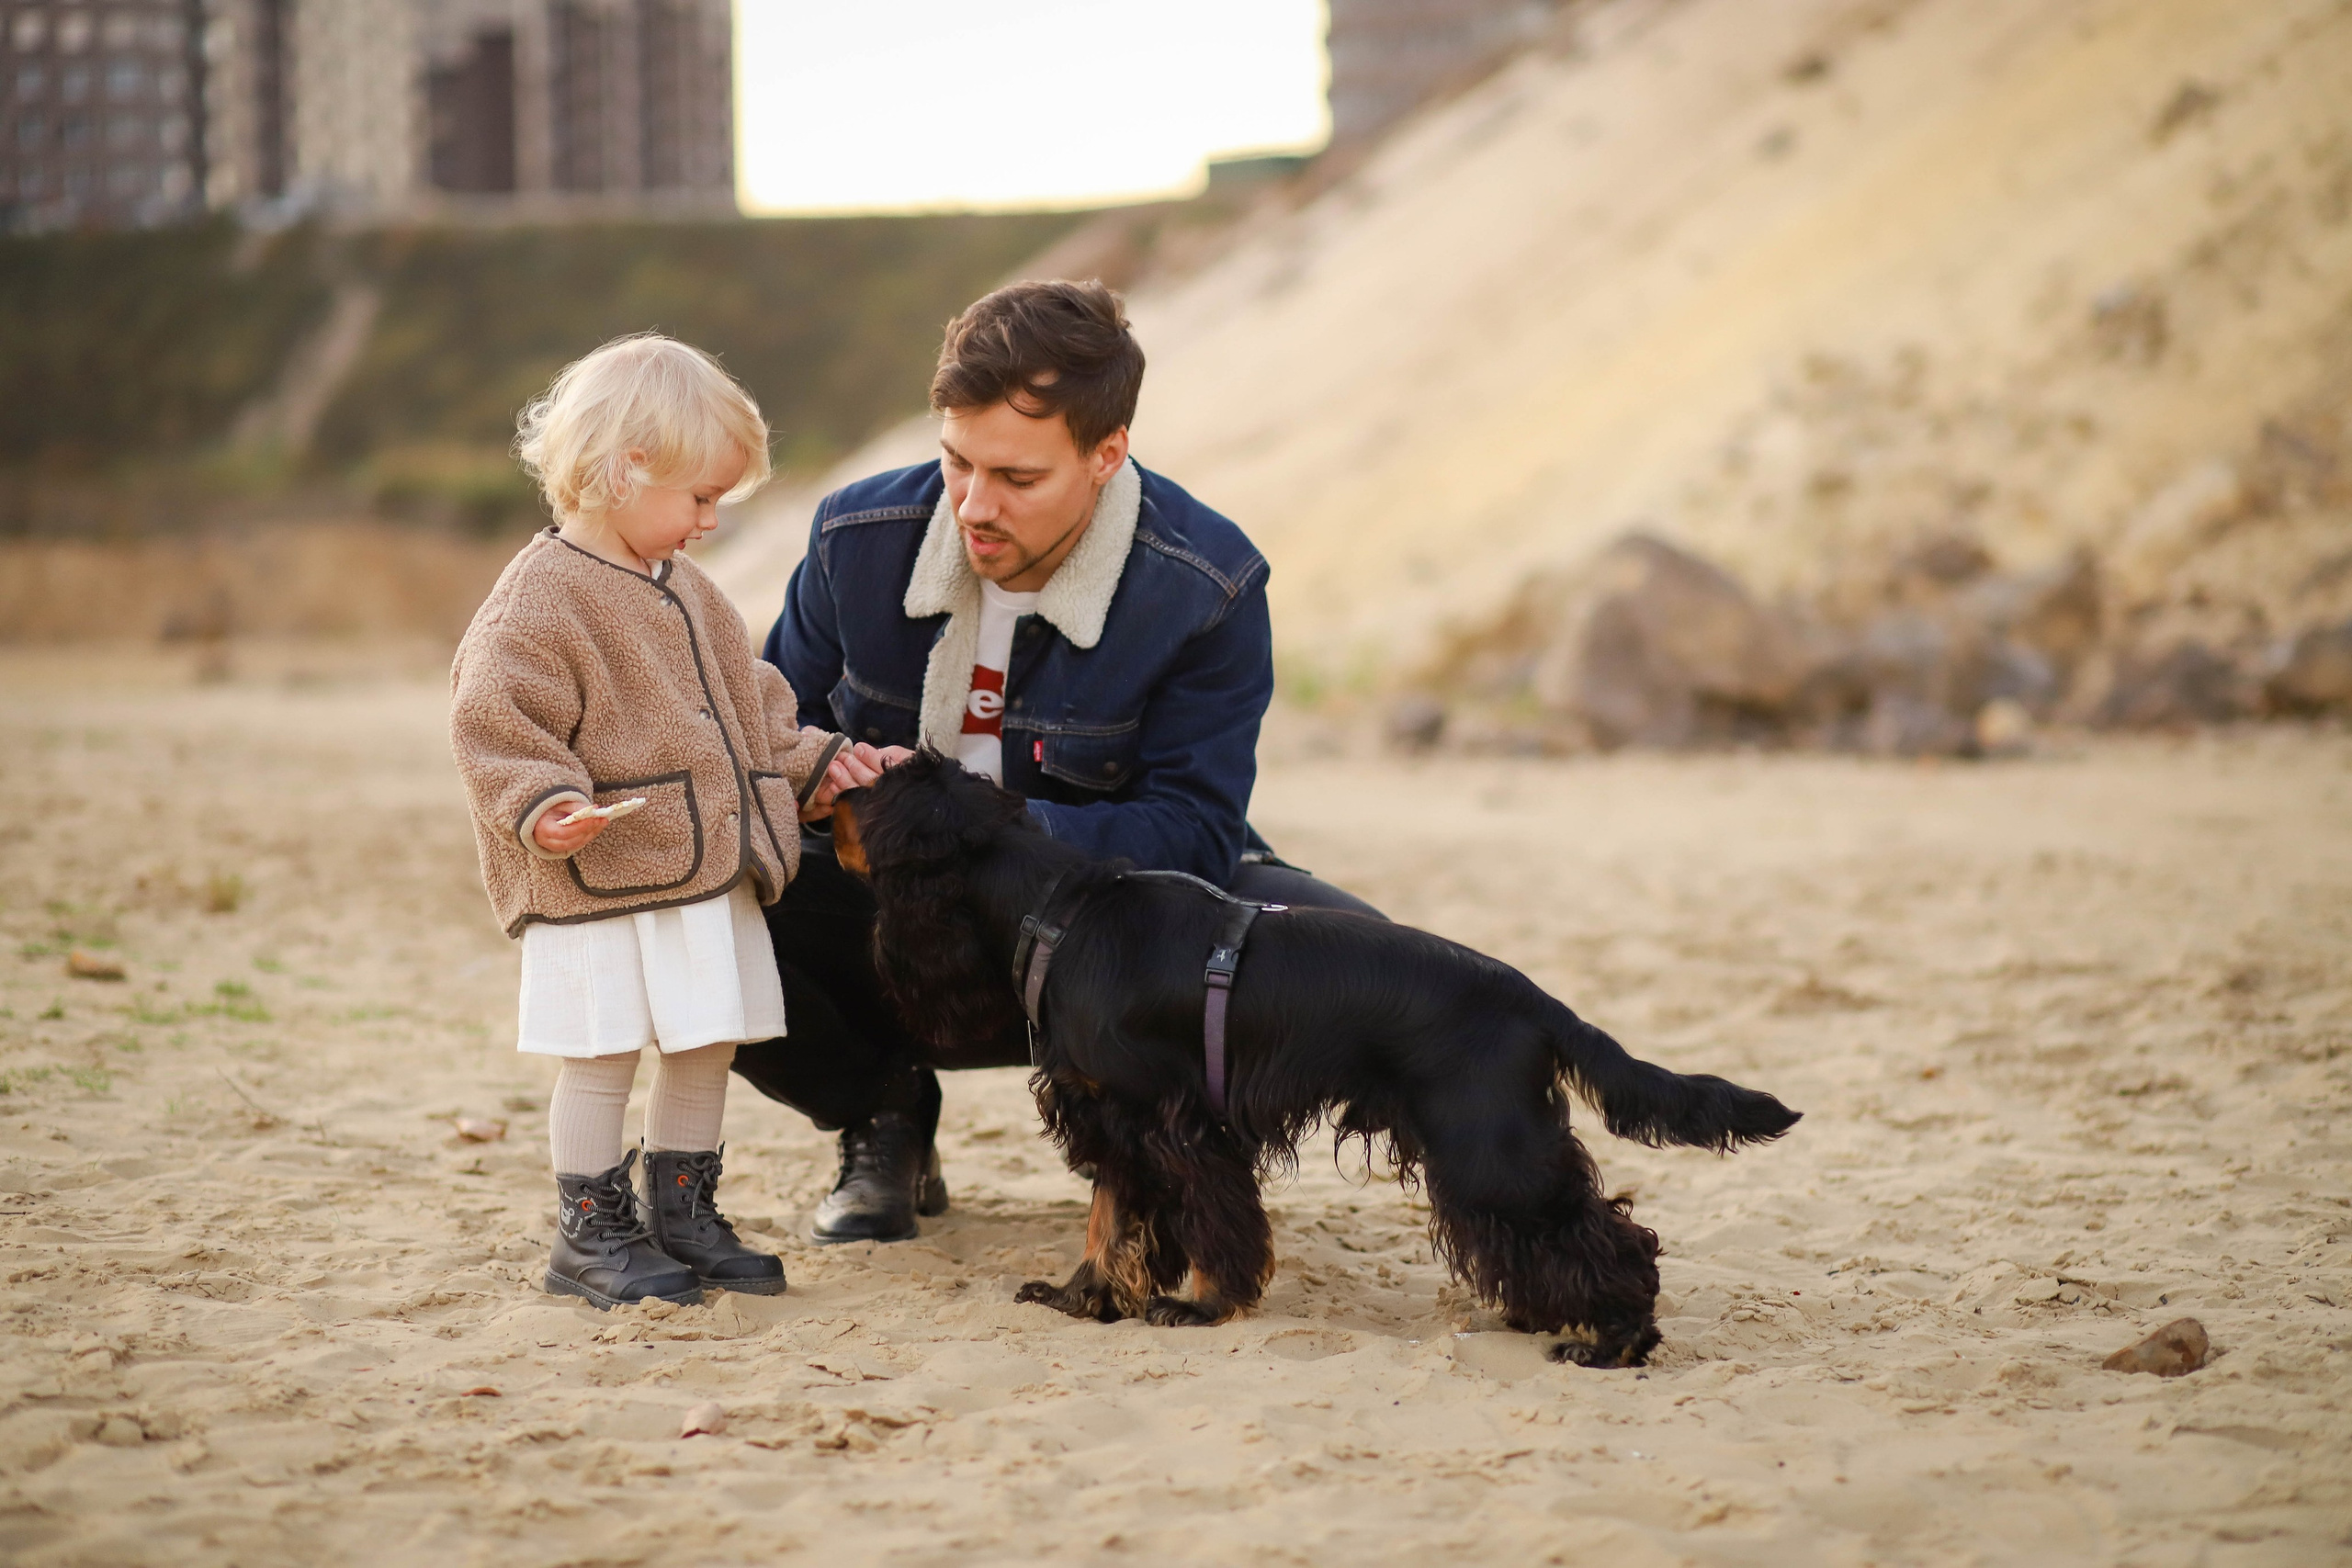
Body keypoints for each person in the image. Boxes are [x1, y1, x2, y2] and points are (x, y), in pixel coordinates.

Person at [733, 280, 1382, 1244]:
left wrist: (974, 833)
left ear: (1105, 454)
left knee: (1356, 960)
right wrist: (811, 775)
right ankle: (879, 1111)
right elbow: (756, 753)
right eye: (955, 461)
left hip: (1095, 926)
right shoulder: (853, 540)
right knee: (688, 887)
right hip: (889, 922)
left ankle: (1159, 1136)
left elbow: (1195, 833)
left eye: (1017, 479)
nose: (972, 505)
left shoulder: (1206, 582)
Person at [448, 333, 861, 1308]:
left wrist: (816, 764)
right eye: (700, 497)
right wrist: (540, 805)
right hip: (603, 875)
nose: (711, 520)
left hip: (702, 872)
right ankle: (588, 1233)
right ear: (625, 467)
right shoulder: (537, 602)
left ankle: (684, 1214)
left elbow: (749, 706)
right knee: (599, 1056)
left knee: (704, 1041)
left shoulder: (688, 590)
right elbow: (494, 724)